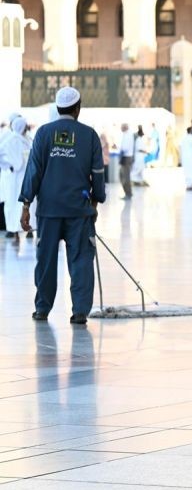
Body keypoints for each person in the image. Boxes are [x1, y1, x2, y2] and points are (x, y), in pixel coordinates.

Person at [19, 86, 106, 325]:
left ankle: (42, 309)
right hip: (79, 210)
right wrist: (96, 201)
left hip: (49, 210)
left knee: (45, 260)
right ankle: (79, 311)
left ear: (58, 109)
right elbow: (97, 172)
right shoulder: (89, 135)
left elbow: (33, 171)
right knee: (80, 260)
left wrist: (26, 204)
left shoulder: (44, 134)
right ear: (78, 108)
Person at [0, 117, 32, 244]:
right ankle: (12, 230)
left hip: (25, 177)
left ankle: (27, 230)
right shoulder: (11, 139)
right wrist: (9, 165)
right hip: (13, 178)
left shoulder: (26, 139)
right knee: (12, 204)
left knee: (25, 205)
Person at [118, 123, 134, 199]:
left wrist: (121, 149)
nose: (120, 128)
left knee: (125, 177)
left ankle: (128, 194)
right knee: (121, 176)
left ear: (125, 127)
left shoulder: (128, 135)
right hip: (124, 157)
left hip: (126, 158)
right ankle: (127, 193)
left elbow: (125, 147)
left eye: (121, 127)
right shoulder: (125, 134)